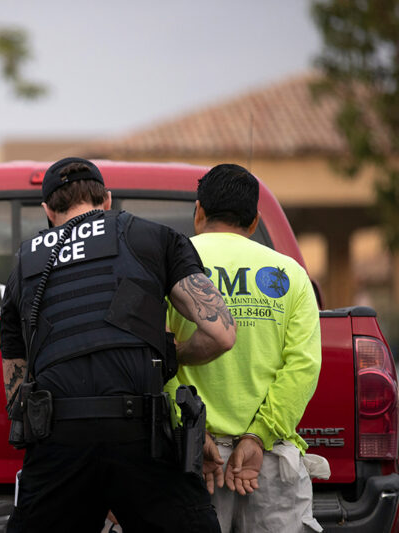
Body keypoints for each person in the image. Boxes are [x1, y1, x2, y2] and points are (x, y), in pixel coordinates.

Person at [0, 157, 237, 533]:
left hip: (59, 442)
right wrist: (172, 356)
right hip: (140, 434)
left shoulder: (23, 266)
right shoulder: (152, 236)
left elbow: (15, 394)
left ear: (47, 210)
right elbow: (222, 333)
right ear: (106, 200)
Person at [166, 163, 323, 533]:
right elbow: (303, 366)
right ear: (253, 223)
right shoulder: (291, 275)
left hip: (192, 458)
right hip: (269, 462)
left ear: (199, 211)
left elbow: (154, 357)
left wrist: (193, 430)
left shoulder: (168, 266)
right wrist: (259, 434)